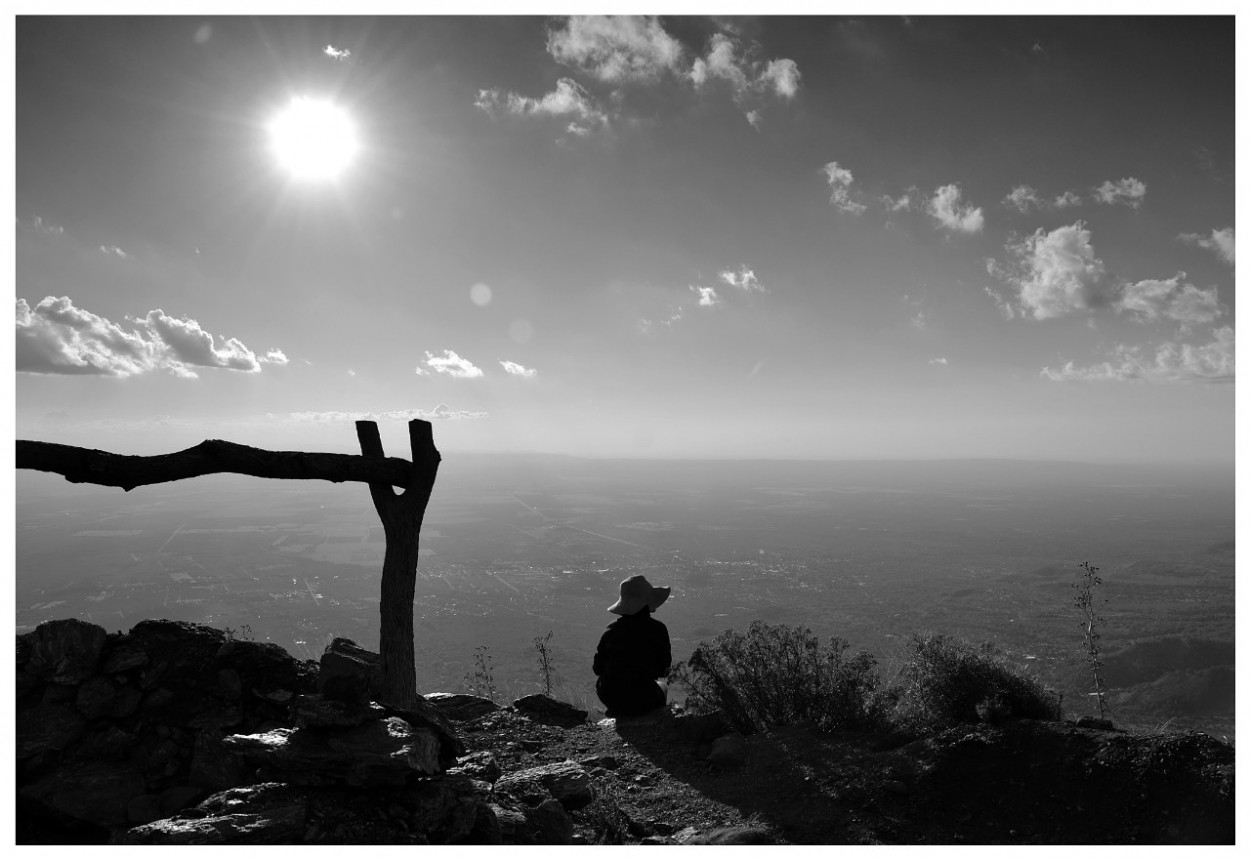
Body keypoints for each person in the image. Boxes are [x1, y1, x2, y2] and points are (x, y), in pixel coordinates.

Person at [593, 574, 672, 718]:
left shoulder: (611, 629)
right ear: (648, 603)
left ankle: (618, 712)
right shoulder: (658, 629)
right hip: (644, 696)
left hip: (610, 695)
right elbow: (663, 670)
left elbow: (597, 669)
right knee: (662, 686)